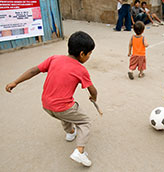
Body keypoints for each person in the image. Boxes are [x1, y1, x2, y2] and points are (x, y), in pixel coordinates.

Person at [5, 31, 97, 166]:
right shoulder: (81, 70)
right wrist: (94, 97)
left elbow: (34, 70)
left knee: (65, 114)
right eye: (89, 53)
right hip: (63, 107)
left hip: (47, 105)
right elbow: (92, 89)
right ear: (82, 54)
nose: (89, 56)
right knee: (84, 122)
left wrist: (15, 82)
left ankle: (70, 132)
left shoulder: (54, 58)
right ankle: (80, 151)